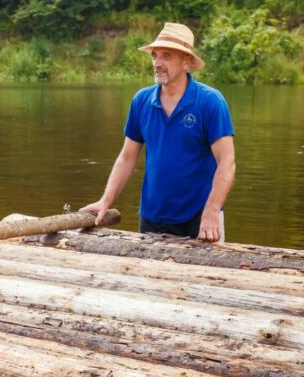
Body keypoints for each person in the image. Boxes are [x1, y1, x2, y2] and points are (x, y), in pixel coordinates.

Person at [81, 22, 235, 242]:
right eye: (154, 56)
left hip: (200, 219)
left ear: (187, 62)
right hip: (152, 218)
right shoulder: (142, 101)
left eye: (166, 56)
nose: (157, 63)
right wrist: (105, 200)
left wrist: (211, 213)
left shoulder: (210, 102)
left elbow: (227, 161)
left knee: (207, 277)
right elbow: (127, 157)